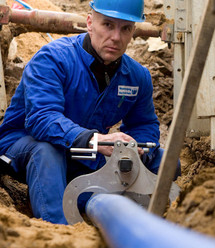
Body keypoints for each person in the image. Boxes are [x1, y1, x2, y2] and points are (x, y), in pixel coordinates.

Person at [0, 0, 180, 224]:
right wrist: (95, 140)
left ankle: (148, 220)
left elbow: (144, 125)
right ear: (89, 23)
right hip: (25, 145)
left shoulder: (137, 76)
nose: (116, 36)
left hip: (83, 154)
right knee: (47, 151)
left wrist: (136, 148)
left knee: (163, 159)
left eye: (125, 28)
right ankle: (58, 229)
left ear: (133, 31)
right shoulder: (53, 59)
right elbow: (42, 119)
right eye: (107, 24)